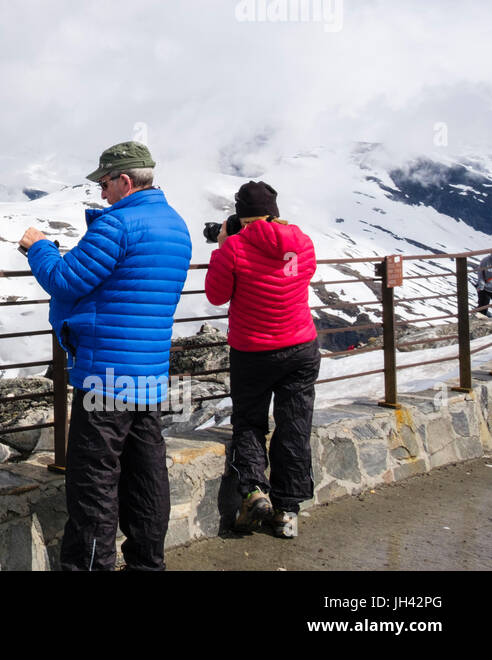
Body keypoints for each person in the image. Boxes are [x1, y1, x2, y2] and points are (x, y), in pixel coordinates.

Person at [19, 141, 191, 570]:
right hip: (147, 376)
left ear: (125, 181)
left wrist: (39, 247)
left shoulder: (117, 226)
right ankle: (147, 563)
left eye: (105, 183)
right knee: (145, 477)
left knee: (93, 483)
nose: (101, 193)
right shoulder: (176, 225)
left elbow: (63, 279)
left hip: (105, 378)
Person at [204, 180, 317, 539]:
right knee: (294, 425)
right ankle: (288, 512)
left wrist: (223, 246)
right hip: (300, 348)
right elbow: (300, 274)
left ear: (240, 215)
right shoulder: (302, 244)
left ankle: (254, 492)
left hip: (252, 352)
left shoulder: (234, 248)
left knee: (250, 423)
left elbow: (217, 295)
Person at [477, 253, 492, 317]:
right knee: (482, 309)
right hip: (485, 288)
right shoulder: (485, 261)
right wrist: (481, 286)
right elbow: (480, 274)